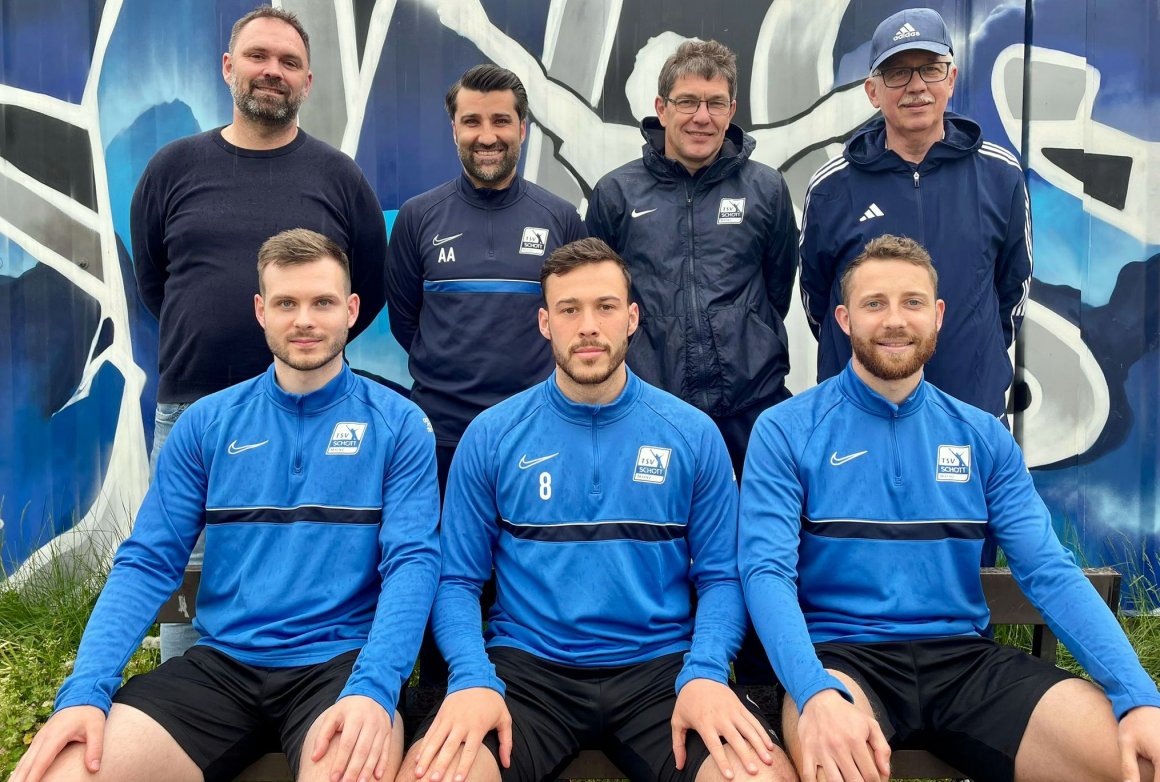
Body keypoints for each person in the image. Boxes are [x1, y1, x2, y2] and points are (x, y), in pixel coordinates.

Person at [11, 229, 439, 782]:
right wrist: (85, 689)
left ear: (352, 310)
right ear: (261, 311)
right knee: (63, 774)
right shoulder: (207, 423)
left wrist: (378, 685)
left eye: (322, 302)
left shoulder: (399, 423)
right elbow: (148, 562)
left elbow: (412, 563)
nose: (304, 319)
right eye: (286, 303)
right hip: (221, 668)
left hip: (340, 670)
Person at [739, 234, 1160, 782]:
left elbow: (1049, 572)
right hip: (843, 665)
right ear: (842, 319)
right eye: (874, 303)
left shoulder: (983, 435)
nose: (895, 320)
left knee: (1143, 759)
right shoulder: (786, 429)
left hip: (966, 663)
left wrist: (1138, 695)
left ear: (937, 315)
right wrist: (812, 691)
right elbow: (764, 572)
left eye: (912, 302)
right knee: (835, 766)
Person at [399, 238, 794, 782]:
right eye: (569, 310)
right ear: (544, 323)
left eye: (605, 307)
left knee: (759, 778)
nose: (588, 326)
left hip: (662, 671)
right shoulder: (491, 436)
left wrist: (705, 672)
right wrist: (471, 676)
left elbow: (723, 577)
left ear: (631, 318)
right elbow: (457, 581)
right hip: (527, 673)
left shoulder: (692, 435)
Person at [132, 5, 389, 660]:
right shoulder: (172, 168)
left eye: (288, 63)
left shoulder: (338, 177)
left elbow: (370, 290)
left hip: (309, 411)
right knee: (187, 574)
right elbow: (155, 283)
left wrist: (303, 356)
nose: (271, 71)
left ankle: (301, 692)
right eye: (258, 57)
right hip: (192, 413)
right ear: (228, 68)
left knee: (307, 574)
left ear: (307, 82)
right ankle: (186, 701)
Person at [798, 7, 1032, 420]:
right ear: (873, 91)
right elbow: (818, 302)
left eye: (929, 69)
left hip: (969, 409)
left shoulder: (1000, 175)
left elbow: (1012, 292)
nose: (916, 86)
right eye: (898, 73)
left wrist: (975, 356)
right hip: (859, 415)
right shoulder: (832, 188)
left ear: (952, 79)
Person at [585, 39, 798, 481]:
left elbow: (778, 289)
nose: (702, 117)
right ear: (662, 109)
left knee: (746, 540)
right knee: (658, 539)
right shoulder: (616, 193)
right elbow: (599, 299)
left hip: (751, 408)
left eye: (715, 103)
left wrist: (746, 334)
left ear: (731, 109)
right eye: (687, 102)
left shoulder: (767, 189)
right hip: (650, 409)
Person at [386, 64, 586, 493]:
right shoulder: (417, 217)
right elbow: (406, 322)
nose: (487, 136)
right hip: (441, 435)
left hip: (538, 429)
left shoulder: (561, 218)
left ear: (523, 128)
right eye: (472, 121)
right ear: (453, 129)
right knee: (450, 559)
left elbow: (575, 318)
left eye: (501, 120)